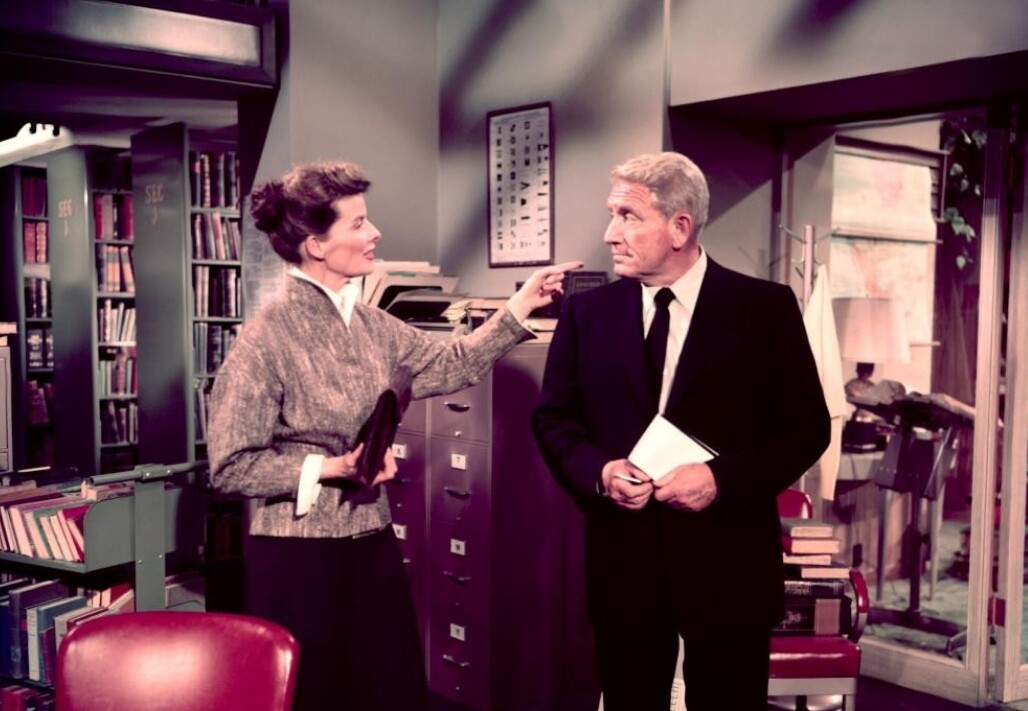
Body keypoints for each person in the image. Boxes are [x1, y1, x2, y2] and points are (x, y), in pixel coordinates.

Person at [207, 160, 581, 711]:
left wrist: (518, 307)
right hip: (296, 557)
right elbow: (230, 465)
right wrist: (333, 468)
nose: (375, 233)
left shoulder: (370, 324)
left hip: (371, 540)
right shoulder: (265, 338)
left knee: (389, 689)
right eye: (358, 223)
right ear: (315, 244)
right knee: (315, 695)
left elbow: (450, 364)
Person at [531, 152, 830, 711]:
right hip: (625, 566)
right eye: (612, 214)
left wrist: (720, 479)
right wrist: (601, 470)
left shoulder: (763, 308)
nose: (610, 233)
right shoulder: (586, 313)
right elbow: (554, 419)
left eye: (628, 216)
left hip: (729, 567)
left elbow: (807, 429)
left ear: (679, 227)